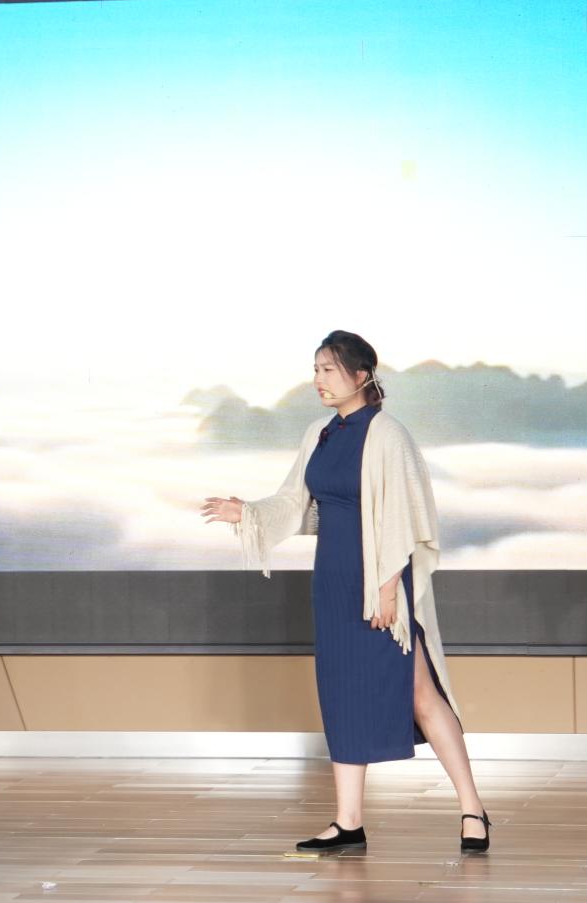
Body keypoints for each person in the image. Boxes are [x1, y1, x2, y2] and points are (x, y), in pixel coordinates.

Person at [201, 330, 490, 855]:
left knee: (419, 693)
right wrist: (248, 513)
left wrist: (386, 589)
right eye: (315, 369)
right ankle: (348, 821)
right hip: (332, 581)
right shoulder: (319, 433)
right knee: (341, 694)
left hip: (379, 580)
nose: (318, 380)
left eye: (329, 370)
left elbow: (403, 518)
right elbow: (296, 503)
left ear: (361, 375)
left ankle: (473, 808)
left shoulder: (388, 434)